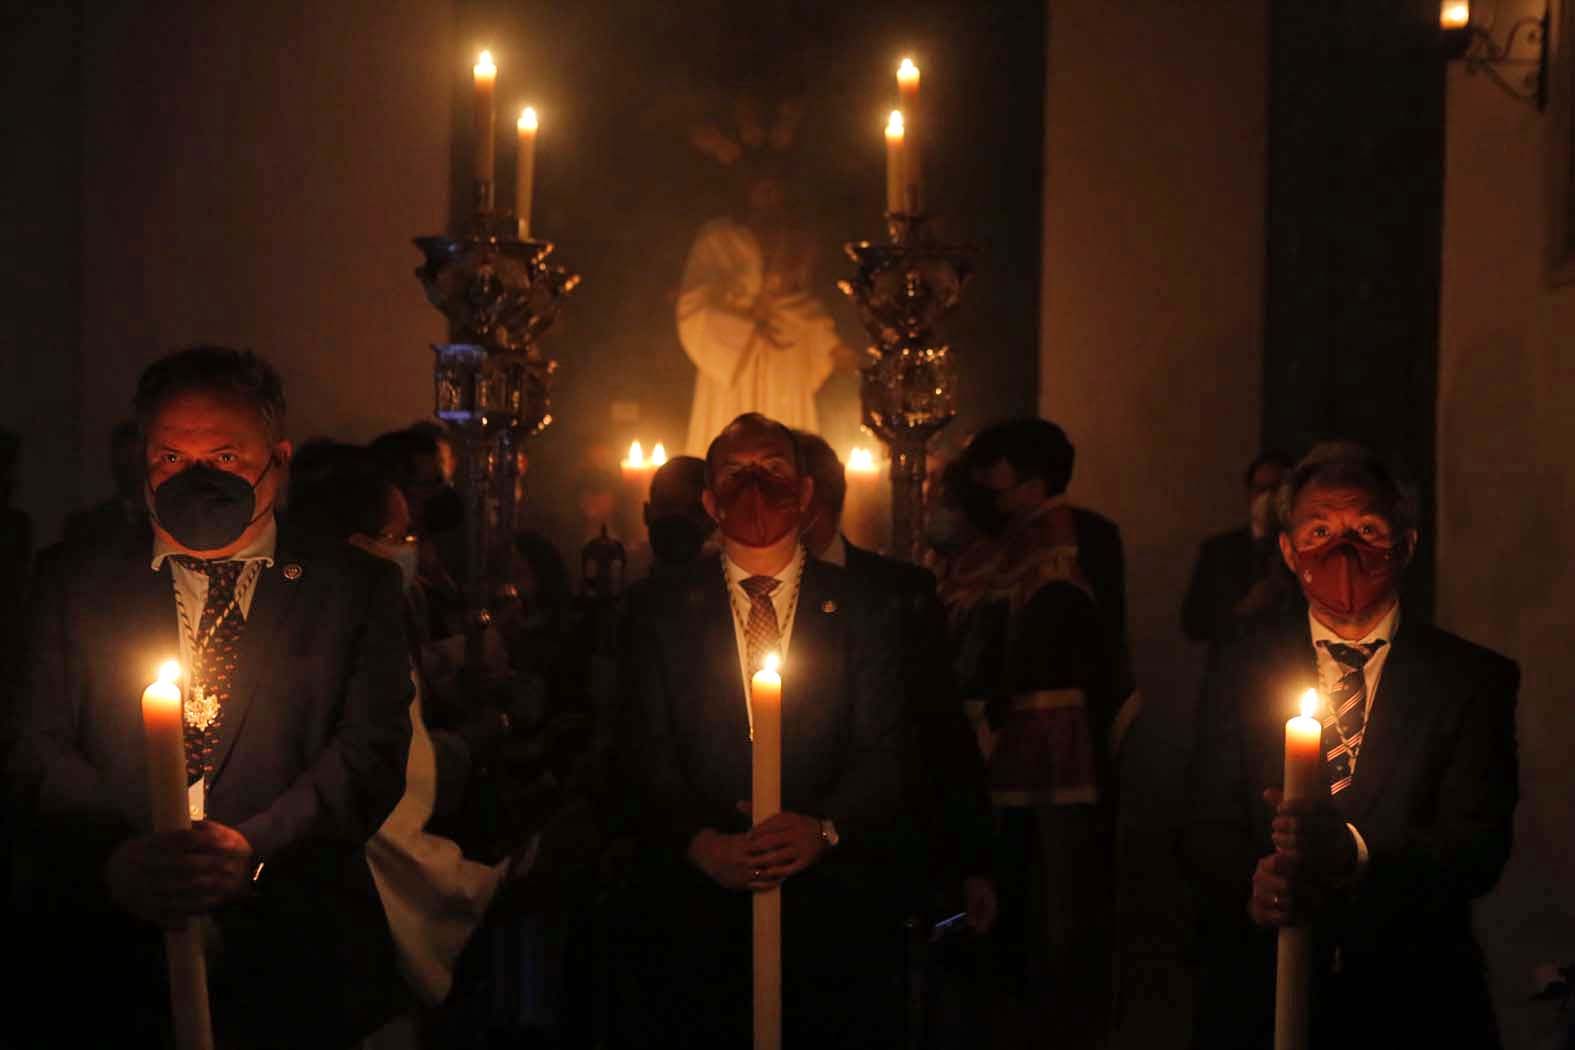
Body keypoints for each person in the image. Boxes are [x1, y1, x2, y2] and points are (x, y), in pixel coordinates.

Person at [11, 347, 413, 1049]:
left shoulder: (349, 585)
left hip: (294, 951)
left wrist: (249, 850)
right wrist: (131, 852)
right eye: (172, 458)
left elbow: (368, 754)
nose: (197, 478)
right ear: (143, 459)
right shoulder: (73, 578)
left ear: (277, 460)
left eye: (225, 457)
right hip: (106, 953)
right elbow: (30, 743)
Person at [1181, 442, 1519, 1049]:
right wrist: (1254, 884)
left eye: (1367, 527)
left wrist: (1353, 855)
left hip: (1414, 1001)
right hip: (1263, 997)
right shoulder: (1240, 668)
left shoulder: (1472, 679)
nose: (1343, 550)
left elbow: (1477, 850)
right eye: (1319, 530)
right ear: (1288, 551)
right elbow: (1204, 824)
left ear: (1406, 543)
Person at [613, 412, 906, 1047]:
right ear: (710, 502)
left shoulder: (868, 607)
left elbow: (888, 746)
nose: (755, 485)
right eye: (735, 473)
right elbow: (639, 746)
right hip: (694, 906)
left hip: (829, 902)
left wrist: (824, 828)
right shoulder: (656, 608)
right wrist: (698, 842)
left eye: (773, 469)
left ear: (805, 495)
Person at [955, 417, 1124, 1048]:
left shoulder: (1074, 534)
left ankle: (1060, 1016)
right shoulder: (1007, 537)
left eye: (996, 471)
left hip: (1060, 731)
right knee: (1022, 876)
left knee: (1060, 881)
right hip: (1017, 728)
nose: (985, 485)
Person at [796, 431, 996, 934]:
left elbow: (939, 726)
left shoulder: (896, 592)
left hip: (875, 852)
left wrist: (973, 861)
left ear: (809, 499)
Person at [678, 98, 853, 452]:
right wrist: (745, 322)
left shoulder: (798, 240)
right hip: (733, 359)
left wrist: (823, 339)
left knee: (784, 441)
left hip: (785, 353)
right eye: (761, 186)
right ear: (745, 188)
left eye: (776, 186)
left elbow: (803, 301)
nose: (769, 195)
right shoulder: (719, 239)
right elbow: (694, 307)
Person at [1181, 451, 1296, 666]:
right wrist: (1243, 609)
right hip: (1231, 682)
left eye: (1276, 488)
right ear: (1249, 493)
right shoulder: (1218, 550)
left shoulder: (1303, 549)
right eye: (1260, 489)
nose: (1268, 498)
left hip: (1287, 676)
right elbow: (1193, 624)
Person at [61, 419, 149, 547]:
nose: (130, 469)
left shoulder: (166, 525)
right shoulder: (87, 525)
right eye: (123, 460)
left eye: (135, 459)